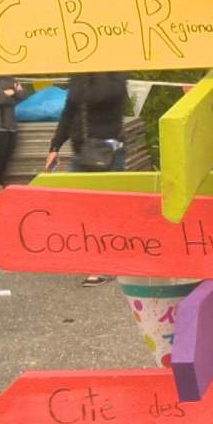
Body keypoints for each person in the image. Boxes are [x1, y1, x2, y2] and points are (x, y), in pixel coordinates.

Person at [47, 73, 130, 287]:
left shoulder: (115, 77)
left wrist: (84, 78)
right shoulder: (81, 77)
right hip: (81, 151)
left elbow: (98, 96)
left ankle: (105, 265)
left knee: (106, 210)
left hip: (108, 152)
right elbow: (68, 112)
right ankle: (96, 260)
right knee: (83, 210)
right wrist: (54, 147)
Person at [0, 76, 27, 189]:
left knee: (6, 158)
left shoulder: (10, 78)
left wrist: (11, 93)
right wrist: (13, 93)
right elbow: (0, 98)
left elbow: (23, 95)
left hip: (11, 126)